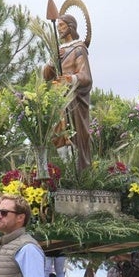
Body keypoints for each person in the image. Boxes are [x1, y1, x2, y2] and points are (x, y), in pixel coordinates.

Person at [43, 13, 93, 171]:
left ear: (71, 27)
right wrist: (52, 61)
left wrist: (70, 79)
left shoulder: (79, 48)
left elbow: (86, 77)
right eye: (57, 26)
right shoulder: (59, 50)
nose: (59, 29)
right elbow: (46, 76)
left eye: (62, 25)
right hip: (59, 99)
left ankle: (77, 172)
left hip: (74, 101)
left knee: (73, 135)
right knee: (58, 135)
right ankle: (67, 170)